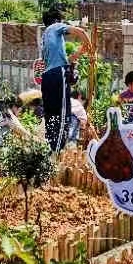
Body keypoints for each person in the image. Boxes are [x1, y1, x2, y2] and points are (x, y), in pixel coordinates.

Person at [40, 8, 92, 154]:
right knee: (63, 114)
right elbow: (81, 32)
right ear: (57, 20)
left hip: (48, 77)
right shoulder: (56, 27)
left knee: (51, 115)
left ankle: (50, 149)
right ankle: (58, 152)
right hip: (58, 75)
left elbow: (64, 60)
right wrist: (90, 48)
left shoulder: (44, 37)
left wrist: (80, 52)